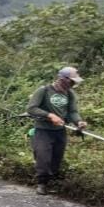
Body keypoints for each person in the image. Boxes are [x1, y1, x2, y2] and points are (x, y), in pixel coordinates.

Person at [26, 67, 88, 195]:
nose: (73, 83)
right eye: (71, 81)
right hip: (43, 130)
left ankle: (51, 183)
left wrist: (78, 122)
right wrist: (50, 115)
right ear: (63, 79)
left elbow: (72, 112)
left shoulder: (69, 94)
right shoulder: (44, 90)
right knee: (43, 157)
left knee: (56, 158)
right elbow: (31, 108)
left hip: (60, 131)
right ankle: (41, 183)